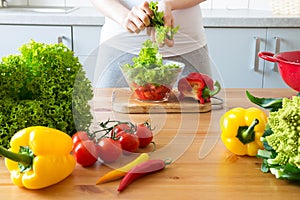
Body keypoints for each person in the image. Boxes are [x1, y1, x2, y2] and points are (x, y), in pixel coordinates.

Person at [90, 0, 211, 88]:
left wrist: (169, 3)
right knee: (106, 117)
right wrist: (125, 17)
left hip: (187, 49)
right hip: (119, 50)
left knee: (199, 120)